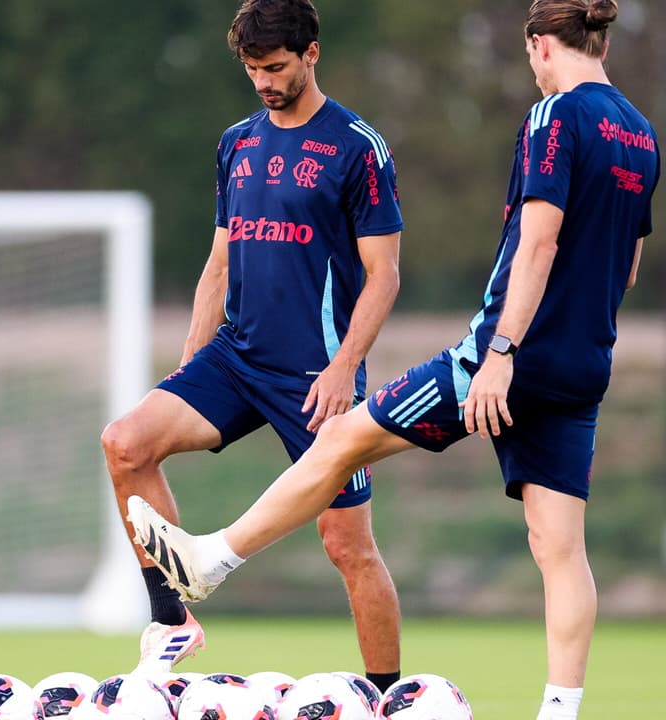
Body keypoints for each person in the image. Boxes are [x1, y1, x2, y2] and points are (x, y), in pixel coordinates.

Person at [126, 1, 658, 718]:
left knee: (342, 440)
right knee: (560, 549)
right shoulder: (641, 133)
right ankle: (559, 711)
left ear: (540, 46)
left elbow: (538, 244)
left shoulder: (554, 117)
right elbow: (625, 270)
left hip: (507, 356)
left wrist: (501, 350)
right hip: (585, 361)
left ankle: (212, 558)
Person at [100, 0, 405, 690]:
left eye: (274, 68)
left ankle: (389, 697)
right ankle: (174, 622)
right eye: (251, 70)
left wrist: (344, 368)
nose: (264, 82)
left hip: (317, 374)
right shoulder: (236, 142)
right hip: (236, 358)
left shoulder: (359, 147)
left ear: (311, 55)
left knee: (348, 547)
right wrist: (188, 366)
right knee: (126, 442)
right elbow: (219, 261)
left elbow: (384, 276)